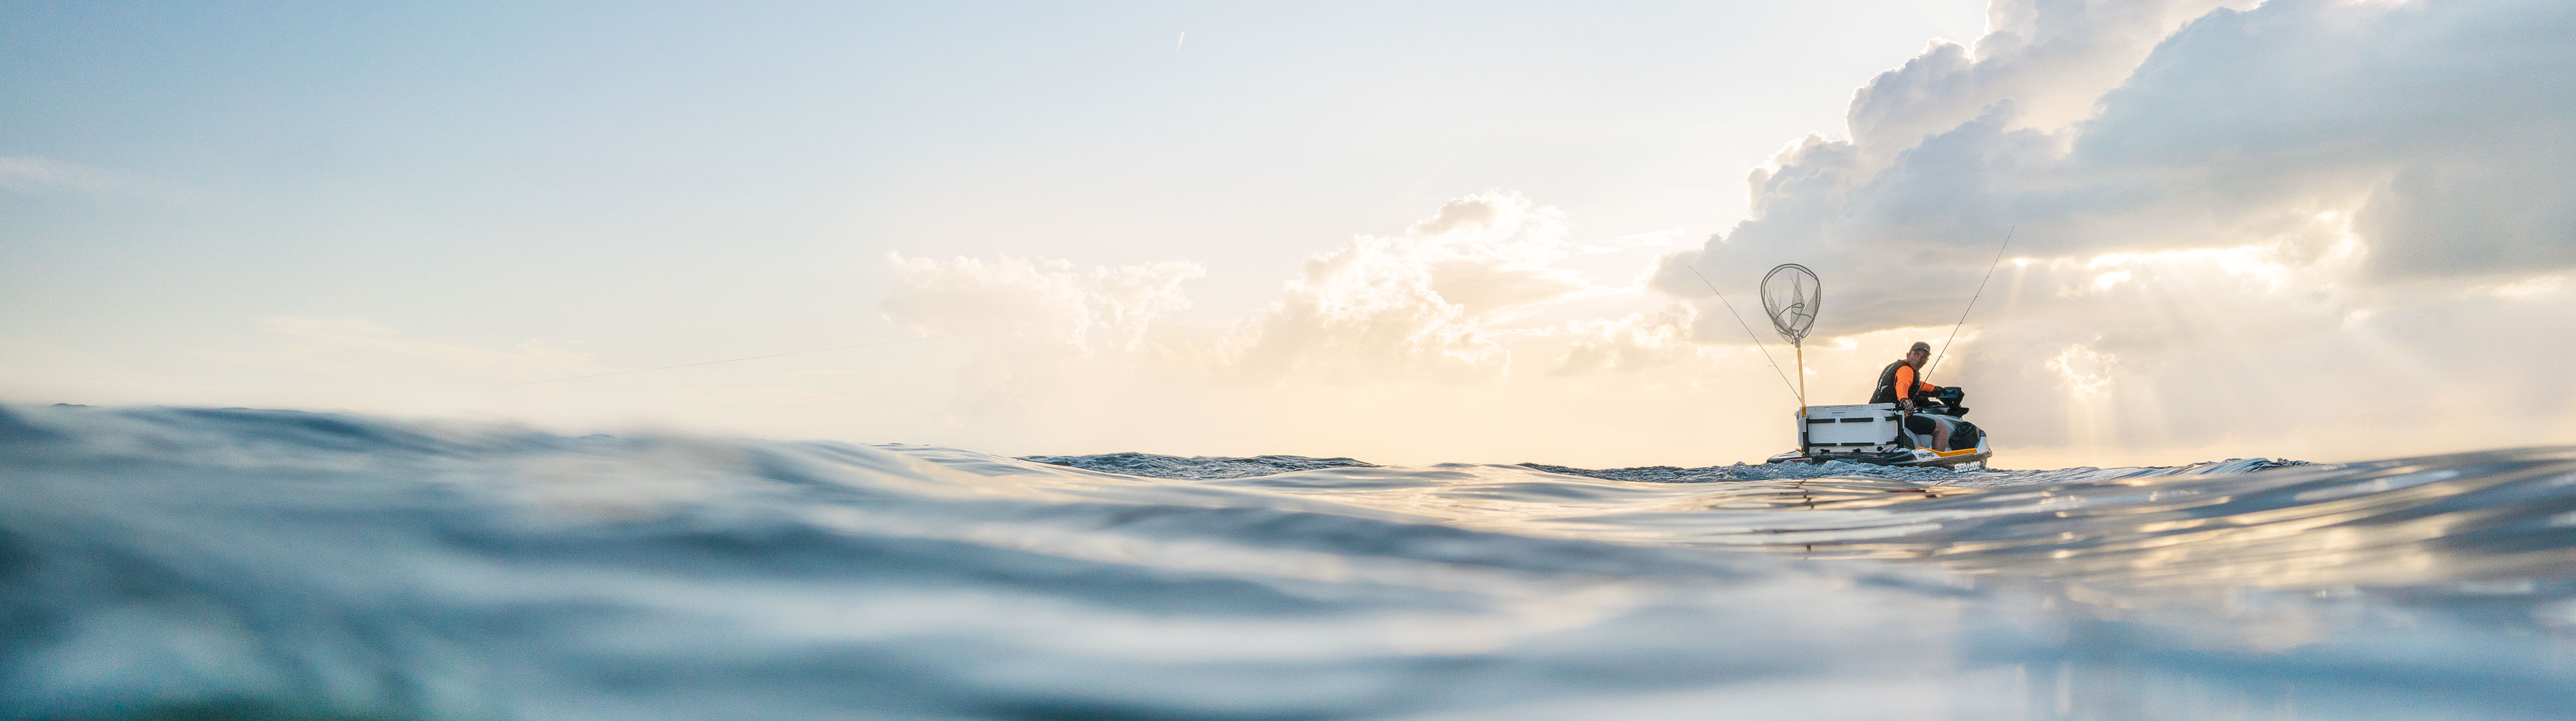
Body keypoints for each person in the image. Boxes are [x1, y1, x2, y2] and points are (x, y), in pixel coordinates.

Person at [1871, 341, 1955, 451]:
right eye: (1916, 355)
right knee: (1940, 428)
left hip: (1878, 413)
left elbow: (1917, 384)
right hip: (1896, 416)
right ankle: (1938, 463)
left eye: (1923, 357)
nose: (1919, 360)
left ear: (1926, 360)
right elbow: (1902, 385)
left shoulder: (1895, 367)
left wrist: (1934, 389)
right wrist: (1904, 399)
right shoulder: (1907, 371)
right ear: (1908, 355)